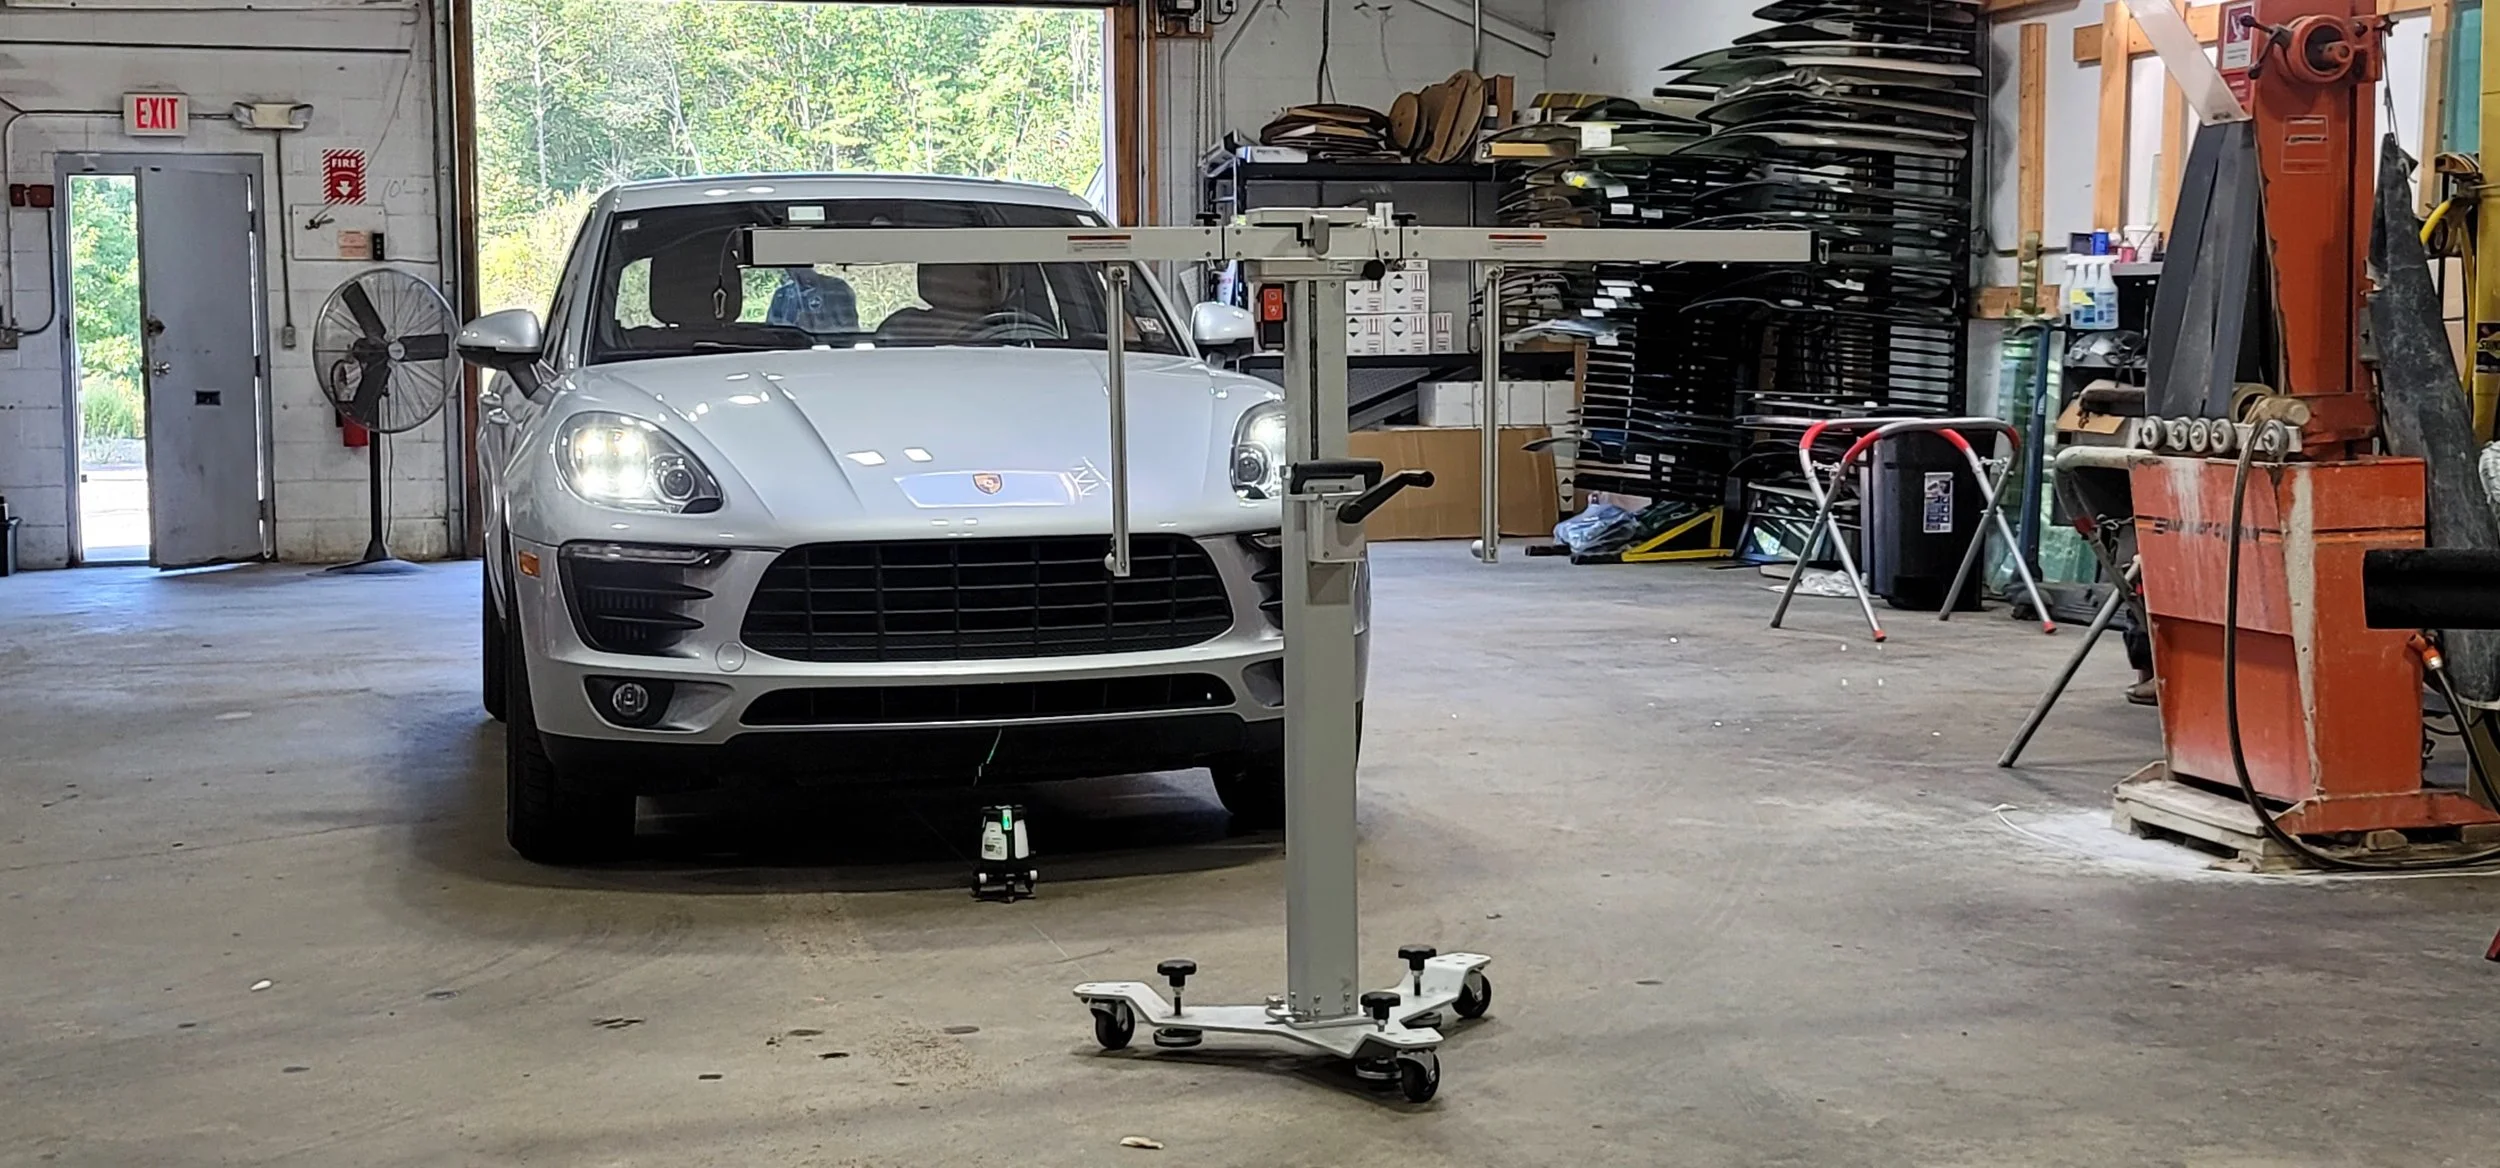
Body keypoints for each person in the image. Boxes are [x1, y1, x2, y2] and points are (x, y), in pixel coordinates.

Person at [766, 267, 859, 333]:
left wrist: (820, 328)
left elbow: (850, 331)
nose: (793, 271)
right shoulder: (782, 295)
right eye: (788, 268)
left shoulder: (836, 289)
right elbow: (771, 331)